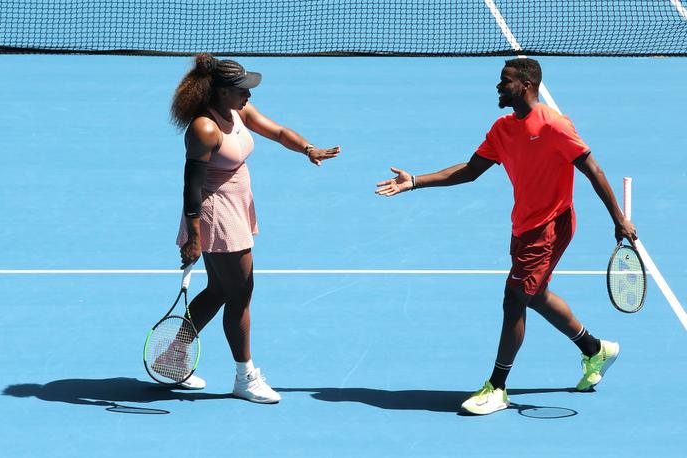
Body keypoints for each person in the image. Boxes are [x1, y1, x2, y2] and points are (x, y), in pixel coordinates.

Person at [375, 58, 636, 415]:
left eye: (505, 81)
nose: (499, 87)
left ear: (527, 85)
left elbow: (592, 169)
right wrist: (416, 181)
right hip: (523, 226)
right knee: (535, 294)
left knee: (514, 297)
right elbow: (469, 170)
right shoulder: (502, 129)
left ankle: (497, 387)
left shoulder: (554, 125)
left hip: (551, 225)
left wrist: (618, 219)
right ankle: (595, 349)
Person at [169, 53, 341, 403]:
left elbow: (276, 131)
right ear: (221, 93)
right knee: (240, 296)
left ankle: (172, 357)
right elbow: (191, 187)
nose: (249, 95)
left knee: (219, 290)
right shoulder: (205, 128)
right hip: (216, 217)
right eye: (242, 89)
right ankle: (244, 376)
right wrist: (194, 238)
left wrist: (308, 149)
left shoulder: (237, 111)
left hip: (236, 208)